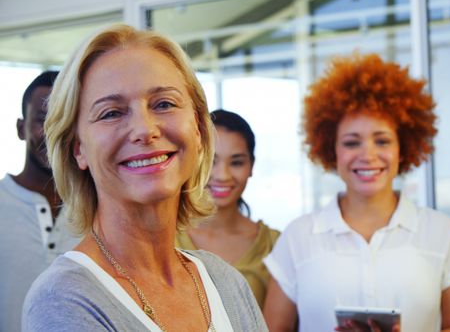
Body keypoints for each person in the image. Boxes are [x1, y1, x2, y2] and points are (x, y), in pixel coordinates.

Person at [22, 24, 268, 331]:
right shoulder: (63, 299)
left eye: (164, 104)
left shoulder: (225, 282)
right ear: (78, 149)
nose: (144, 130)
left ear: (199, 130)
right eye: (111, 112)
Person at [263, 53, 450, 332]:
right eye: (352, 143)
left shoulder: (441, 232)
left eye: (382, 140)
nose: (368, 155)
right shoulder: (298, 238)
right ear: (332, 150)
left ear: (403, 147)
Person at [0, 71, 82, 332]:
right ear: (20, 128)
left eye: (65, 120)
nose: (54, 132)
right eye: (42, 120)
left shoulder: (101, 211)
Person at [176, 109, 280, 308]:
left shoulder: (275, 245)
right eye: (211, 162)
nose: (222, 175)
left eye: (237, 162)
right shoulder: (163, 239)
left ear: (251, 166)